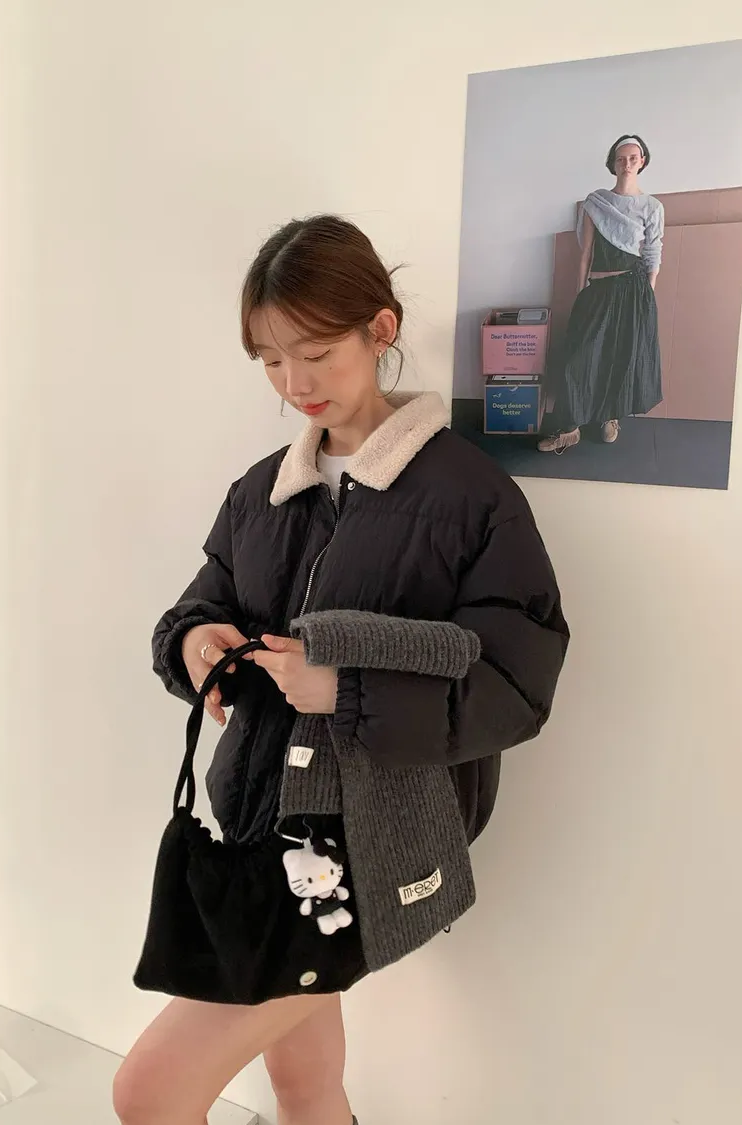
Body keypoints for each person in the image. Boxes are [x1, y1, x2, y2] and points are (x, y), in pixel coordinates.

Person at [113, 215, 569, 1125]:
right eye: (271, 360)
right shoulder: (261, 490)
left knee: (150, 1091)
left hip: (365, 846)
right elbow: (199, 606)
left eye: (316, 352)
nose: (295, 383)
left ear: (380, 329)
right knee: (306, 1087)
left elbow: (517, 684)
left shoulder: (471, 498)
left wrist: (347, 693)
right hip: (256, 819)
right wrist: (194, 646)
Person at [538, 134, 664, 454]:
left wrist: (647, 299)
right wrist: (580, 291)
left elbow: (653, 254)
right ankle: (570, 429)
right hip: (599, 289)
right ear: (612, 163)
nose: (627, 163)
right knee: (580, 358)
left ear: (642, 162)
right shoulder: (596, 202)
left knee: (620, 356)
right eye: (621, 158)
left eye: (633, 158)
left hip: (634, 292)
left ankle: (610, 417)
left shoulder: (652, 207)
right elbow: (585, 253)